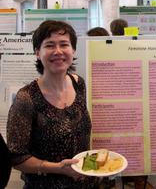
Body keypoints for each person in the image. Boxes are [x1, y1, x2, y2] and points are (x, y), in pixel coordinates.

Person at [7, 20, 96, 189]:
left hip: (85, 183)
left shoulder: (78, 84)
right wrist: (59, 169)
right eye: (49, 45)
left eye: (64, 44)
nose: (58, 51)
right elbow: (16, 157)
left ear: (73, 50)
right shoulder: (26, 98)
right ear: (37, 53)